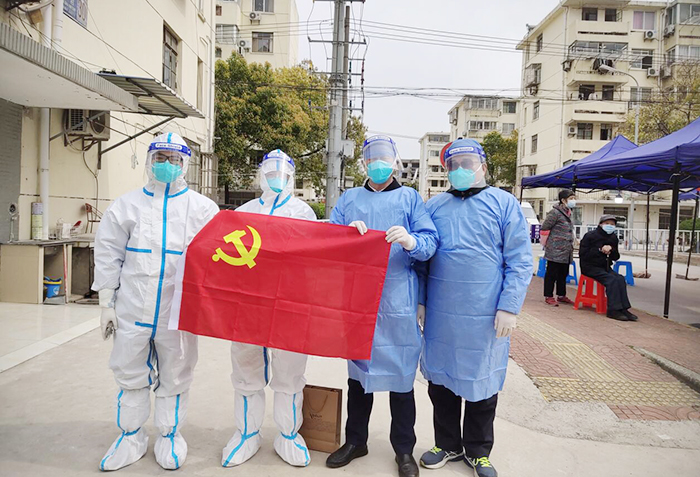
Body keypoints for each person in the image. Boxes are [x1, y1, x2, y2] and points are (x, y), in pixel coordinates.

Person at [93, 132, 220, 471]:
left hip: (178, 312)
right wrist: (106, 302)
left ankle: (169, 435)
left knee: (175, 374)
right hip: (132, 308)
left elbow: (220, 258)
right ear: (150, 161)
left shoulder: (203, 209)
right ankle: (130, 436)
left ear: (185, 164)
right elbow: (108, 253)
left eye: (174, 159)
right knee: (129, 372)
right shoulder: (126, 205)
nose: (166, 165)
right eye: (160, 158)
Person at [417, 139, 532, 477]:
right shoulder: (434, 206)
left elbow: (519, 260)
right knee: (441, 381)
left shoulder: (503, 203)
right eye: (454, 165)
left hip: (485, 312)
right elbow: (423, 259)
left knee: (482, 381)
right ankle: (447, 444)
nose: (461, 170)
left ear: (483, 166)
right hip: (441, 312)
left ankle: (478, 451)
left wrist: (509, 307)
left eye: (468, 163)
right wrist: (421, 300)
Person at [326, 135, 438, 477]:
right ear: (363, 163)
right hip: (358, 299)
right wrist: (344, 233)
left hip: (397, 298)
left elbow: (430, 242)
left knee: (401, 380)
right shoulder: (349, 199)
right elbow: (327, 241)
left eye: (383, 158)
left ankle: (403, 449)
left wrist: (410, 240)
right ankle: (355, 441)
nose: (377, 164)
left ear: (395, 163)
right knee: (359, 378)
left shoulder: (410, 198)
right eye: (371, 158)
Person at [222, 149, 316, 468]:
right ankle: (247, 433)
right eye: (271, 172)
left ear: (292, 177)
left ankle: (288, 434)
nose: (277, 177)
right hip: (249, 303)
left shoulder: (303, 212)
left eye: (282, 173)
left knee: (290, 369)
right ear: (261, 175)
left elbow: (316, 257)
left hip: (290, 303)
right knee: (246, 366)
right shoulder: (244, 212)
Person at [579, 215, 638, 321]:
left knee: (620, 279)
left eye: (612, 224)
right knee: (611, 280)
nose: (609, 226)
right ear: (600, 224)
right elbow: (583, 254)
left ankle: (623, 308)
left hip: (605, 267)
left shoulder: (613, 238)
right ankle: (613, 310)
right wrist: (600, 250)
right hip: (590, 266)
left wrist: (611, 250)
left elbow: (616, 257)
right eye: (607, 224)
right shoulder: (590, 236)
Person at [540, 189, 576, 306]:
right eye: (571, 198)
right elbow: (545, 227)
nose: (573, 201)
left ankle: (561, 295)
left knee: (563, 273)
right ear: (563, 200)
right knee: (552, 273)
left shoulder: (569, 212)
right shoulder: (555, 213)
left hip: (566, 250)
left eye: (574, 198)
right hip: (555, 249)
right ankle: (548, 295)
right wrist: (548, 243)